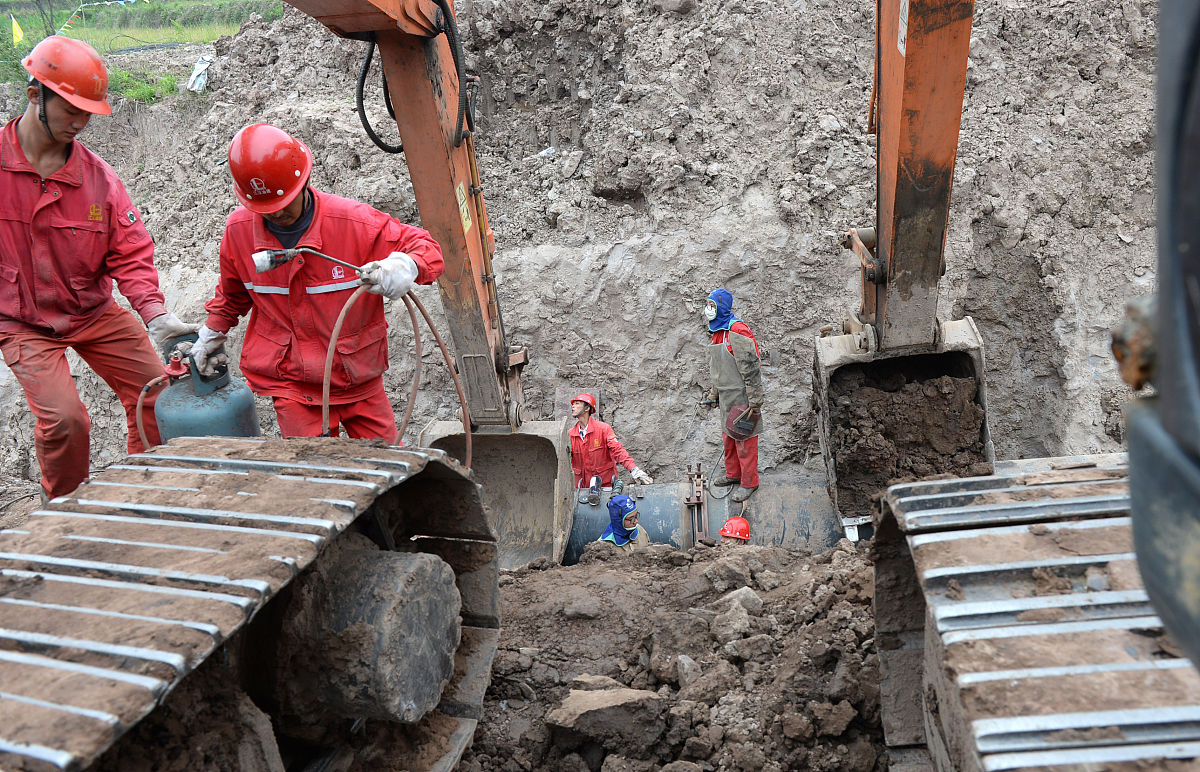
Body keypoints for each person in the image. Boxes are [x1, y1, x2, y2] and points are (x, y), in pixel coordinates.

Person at [0, 36, 196, 500]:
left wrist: (155, 314)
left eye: (87, 113)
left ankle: (145, 490)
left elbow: (130, 253)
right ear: (34, 96)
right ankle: (64, 508)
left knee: (156, 393)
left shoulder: (100, 182)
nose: (80, 123)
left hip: (92, 312)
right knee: (65, 420)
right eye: (71, 110)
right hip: (23, 322)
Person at [191, 123, 444, 442]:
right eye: (266, 210)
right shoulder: (238, 232)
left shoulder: (352, 223)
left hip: (358, 379)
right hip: (294, 387)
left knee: (389, 463)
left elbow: (427, 248)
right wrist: (212, 333)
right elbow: (232, 295)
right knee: (313, 469)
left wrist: (406, 265)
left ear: (304, 182)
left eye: (284, 205)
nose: (276, 215)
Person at [701, 288, 763, 503]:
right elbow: (717, 368)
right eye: (707, 305)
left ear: (722, 307)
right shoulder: (718, 332)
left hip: (742, 396)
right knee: (729, 437)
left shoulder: (737, 330)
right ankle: (733, 474)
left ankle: (749, 482)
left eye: (712, 305)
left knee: (745, 441)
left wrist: (755, 400)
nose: (708, 309)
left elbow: (751, 368)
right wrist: (714, 393)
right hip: (726, 396)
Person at [569, 392, 654, 492]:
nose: (573, 406)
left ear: (587, 408)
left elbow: (618, 450)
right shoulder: (571, 434)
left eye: (577, 403)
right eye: (573, 404)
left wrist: (634, 469)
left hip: (605, 487)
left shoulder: (603, 429)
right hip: (582, 489)